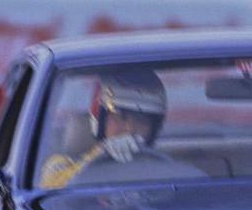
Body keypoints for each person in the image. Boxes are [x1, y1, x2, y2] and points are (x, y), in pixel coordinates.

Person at [39, 69, 167, 188]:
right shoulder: (60, 165)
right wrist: (100, 157)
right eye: (120, 117)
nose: (130, 129)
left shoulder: (162, 171)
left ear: (154, 129)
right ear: (100, 120)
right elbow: (52, 200)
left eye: (141, 120)